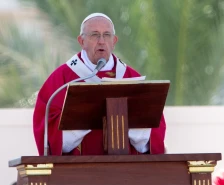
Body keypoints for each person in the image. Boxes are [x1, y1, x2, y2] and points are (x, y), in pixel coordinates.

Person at [33, 13, 166, 156]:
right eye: (94, 35)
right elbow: (47, 131)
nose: (101, 41)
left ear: (114, 41)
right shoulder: (62, 78)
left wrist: (124, 118)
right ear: (81, 41)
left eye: (107, 35)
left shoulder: (131, 78)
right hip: (77, 173)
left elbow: (153, 133)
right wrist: (89, 114)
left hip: (126, 173)